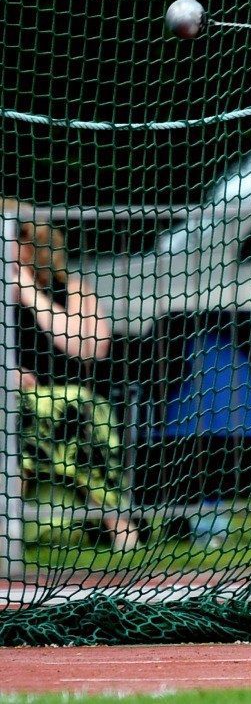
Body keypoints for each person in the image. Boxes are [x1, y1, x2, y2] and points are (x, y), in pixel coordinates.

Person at [4, 199, 141, 551]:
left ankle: (120, 529)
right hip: (14, 400)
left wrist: (33, 296)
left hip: (73, 401)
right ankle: (9, 533)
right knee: (21, 411)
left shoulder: (74, 290)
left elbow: (89, 347)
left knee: (76, 411)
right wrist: (9, 374)